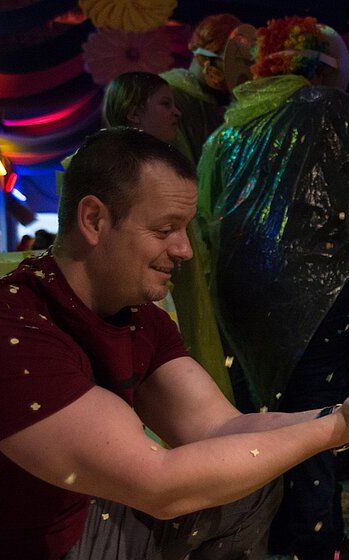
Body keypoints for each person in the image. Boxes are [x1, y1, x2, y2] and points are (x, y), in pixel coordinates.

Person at [0, 128, 349, 560]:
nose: (186, 250)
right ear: (93, 220)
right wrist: (336, 430)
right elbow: (158, 485)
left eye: (186, 229)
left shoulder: (133, 311)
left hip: (74, 531)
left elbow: (221, 428)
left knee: (250, 474)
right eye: (165, 229)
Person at [197, 15, 349, 560]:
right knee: (318, 418)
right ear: (318, 67)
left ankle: (274, 536)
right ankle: (319, 551)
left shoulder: (232, 124)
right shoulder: (317, 104)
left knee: (265, 414)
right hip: (312, 291)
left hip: (242, 299)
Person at [101, 70, 235, 404]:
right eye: (164, 104)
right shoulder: (112, 172)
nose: (176, 113)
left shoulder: (163, 166)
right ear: (134, 112)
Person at [161, 13, 242, 164]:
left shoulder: (215, 101)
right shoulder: (166, 94)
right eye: (231, 61)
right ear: (209, 56)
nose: (236, 72)